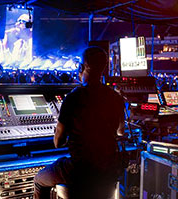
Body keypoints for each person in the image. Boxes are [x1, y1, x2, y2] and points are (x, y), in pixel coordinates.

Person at [34, 46, 125, 199]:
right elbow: (120, 131)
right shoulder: (115, 97)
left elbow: (58, 142)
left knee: (39, 180)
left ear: (81, 67)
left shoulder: (73, 97)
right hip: (107, 170)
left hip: (80, 170)